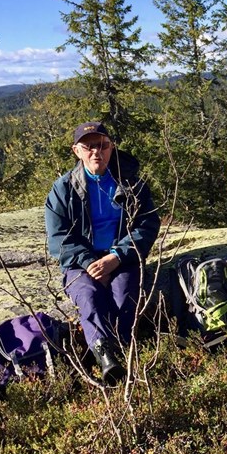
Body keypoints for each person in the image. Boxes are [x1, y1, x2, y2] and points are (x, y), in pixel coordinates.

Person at [45, 122, 160, 386]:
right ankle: (106, 357)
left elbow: (148, 224)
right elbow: (58, 239)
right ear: (77, 151)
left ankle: (122, 351)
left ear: (111, 147)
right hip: (82, 263)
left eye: (103, 145)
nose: (97, 152)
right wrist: (91, 263)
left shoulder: (131, 182)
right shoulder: (62, 189)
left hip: (122, 257)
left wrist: (117, 257)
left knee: (125, 294)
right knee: (89, 295)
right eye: (89, 146)